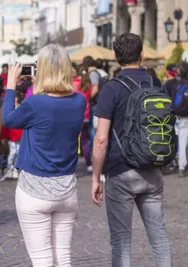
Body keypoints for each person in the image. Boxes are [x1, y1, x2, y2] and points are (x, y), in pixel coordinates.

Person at [92, 33, 172, 266]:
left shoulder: (111, 88)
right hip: (153, 168)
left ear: (116, 58)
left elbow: (101, 140)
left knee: (121, 242)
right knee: (159, 238)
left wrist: (96, 177)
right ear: (141, 55)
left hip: (121, 170)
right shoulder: (157, 84)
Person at [3, 44, 86, 266]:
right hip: (66, 188)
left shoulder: (34, 103)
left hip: (35, 188)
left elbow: (9, 119)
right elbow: (53, 106)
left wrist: (11, 85)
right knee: (63, 258)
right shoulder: (79, 101)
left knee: (42, 260)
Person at [166, 62, 188, 177]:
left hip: (180, 116)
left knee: (182, 140)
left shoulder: (176, 85)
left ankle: (181, 166)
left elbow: (173, 102)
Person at [0, 91, 24, 181]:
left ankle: (16, 169)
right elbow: (5, 124)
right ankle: (9, 168)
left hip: (20, 135)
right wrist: (3, 137)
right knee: (12, 153)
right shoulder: (10, 110)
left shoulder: (22, 108)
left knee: (19, 153)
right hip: (11, 135)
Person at [73, 64, 92, 173]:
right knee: (84, 141)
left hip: (74, 116)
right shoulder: (87, 85)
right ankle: (89, 164)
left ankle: (72, 163)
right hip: (86, 115)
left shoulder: (73, 83)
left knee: (72, 140)